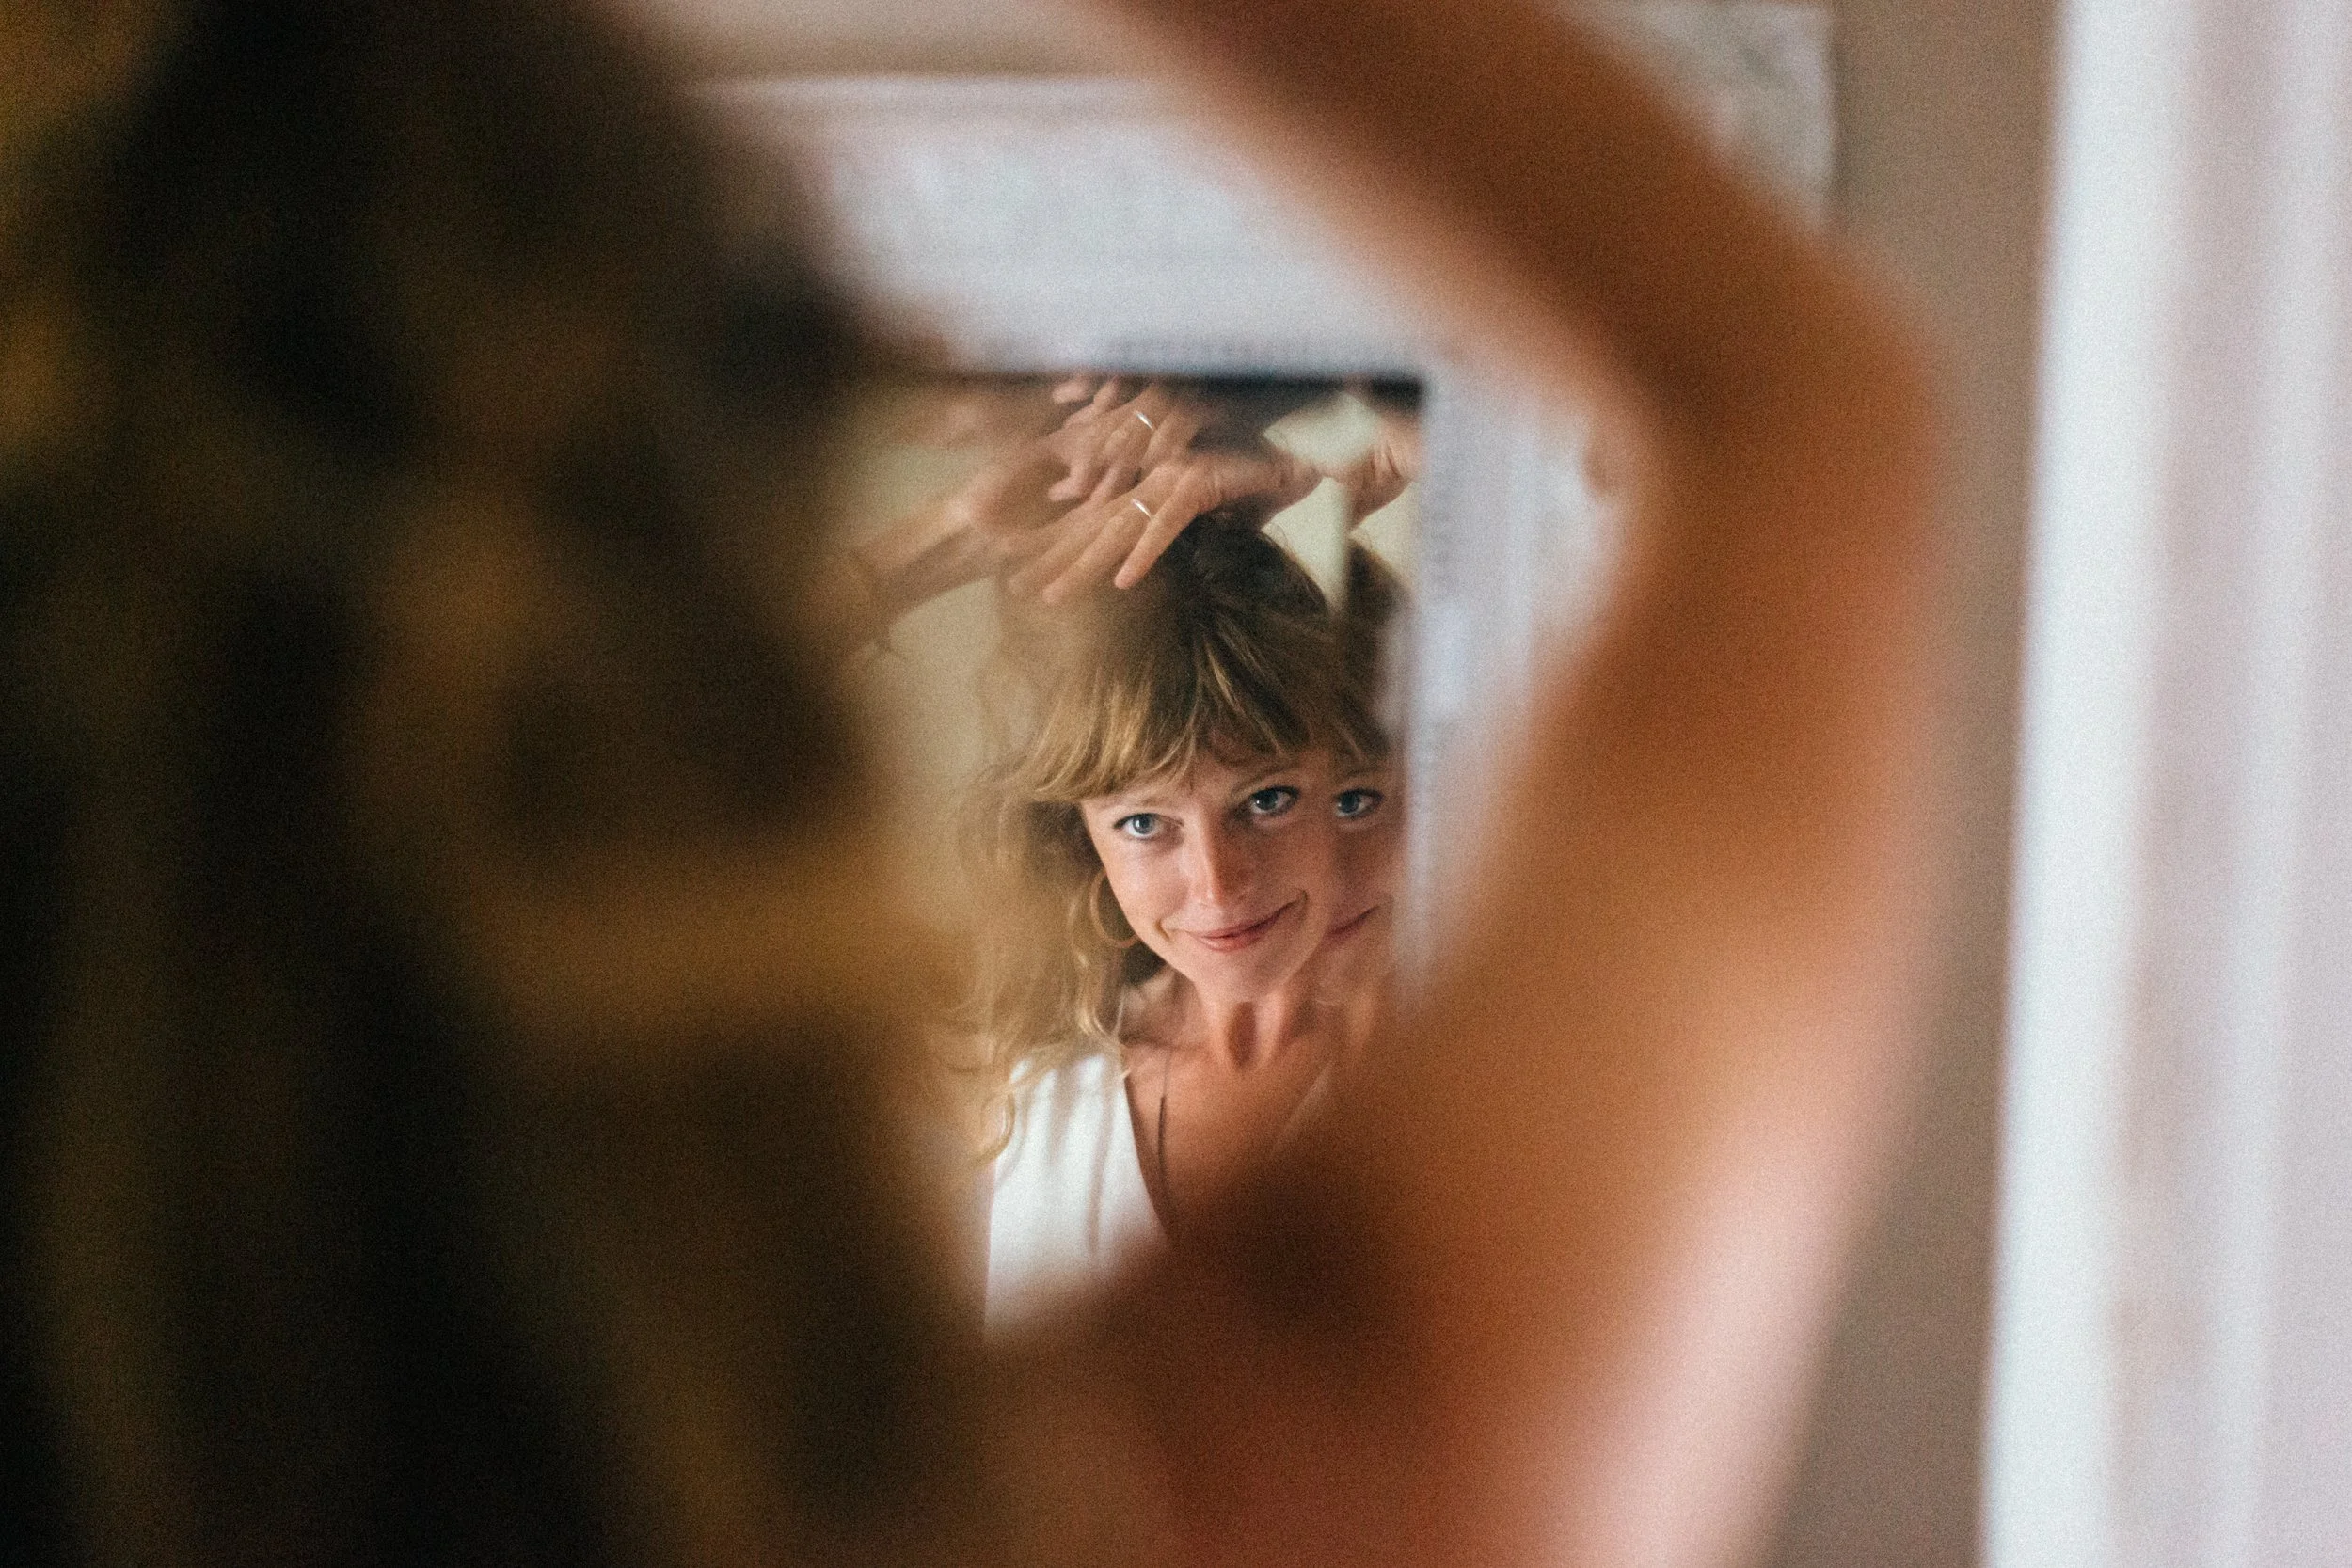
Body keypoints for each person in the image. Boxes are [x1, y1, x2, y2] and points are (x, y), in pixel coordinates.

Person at [0, 2, 1936, 1566]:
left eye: (1290, 800)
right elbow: (1796, 430)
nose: (1215, 874)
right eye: (1147, 820)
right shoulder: (1251, 1444)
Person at [972, 524, 1405, 1328]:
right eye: (1144, 823)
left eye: (1266, 799)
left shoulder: (1452, 1079)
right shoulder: (1023, 1099)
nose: (1216, 882)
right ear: (1084, 841)